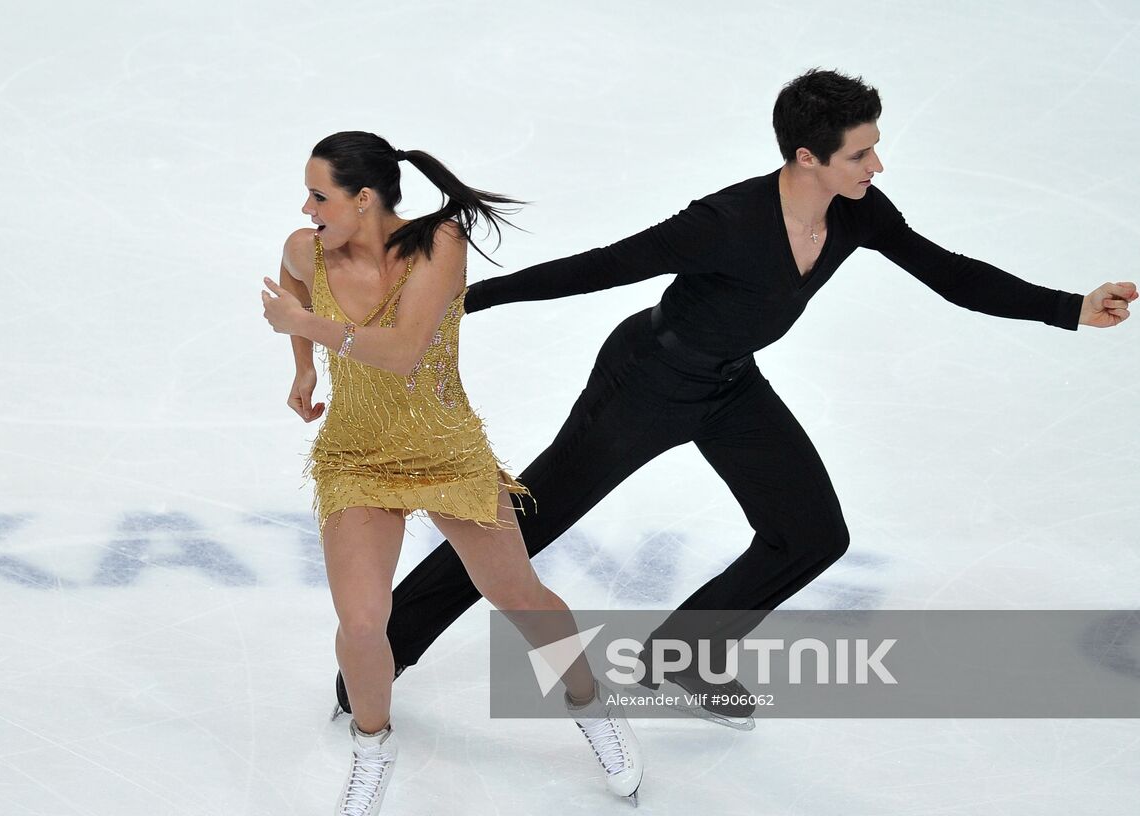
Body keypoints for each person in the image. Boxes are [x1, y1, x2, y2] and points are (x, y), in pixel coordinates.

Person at [331, 69, 1137, 728]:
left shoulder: (859, 213)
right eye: (862, 153)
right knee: (525, 526)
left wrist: (1068, 307)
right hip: (644, 383)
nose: (877, 167)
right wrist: (457, 305)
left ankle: (682, 656)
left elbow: (949, 273)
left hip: (728, 385)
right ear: (807, 157)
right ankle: (380, 653)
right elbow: (601, 266)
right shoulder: (725, 221)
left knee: (812, 534)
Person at [261, 131, 644, 815]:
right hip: (355, 453)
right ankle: (372, 746)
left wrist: (307, 328)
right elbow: (292, 283)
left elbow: (405, 350)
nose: (307, 208)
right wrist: (302, 366)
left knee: (517, 594)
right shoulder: (305, 248)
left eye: (319, 195)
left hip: (444, 447)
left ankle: (591, 705)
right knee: (361, 621)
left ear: (365, 198)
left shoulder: (438, 244)